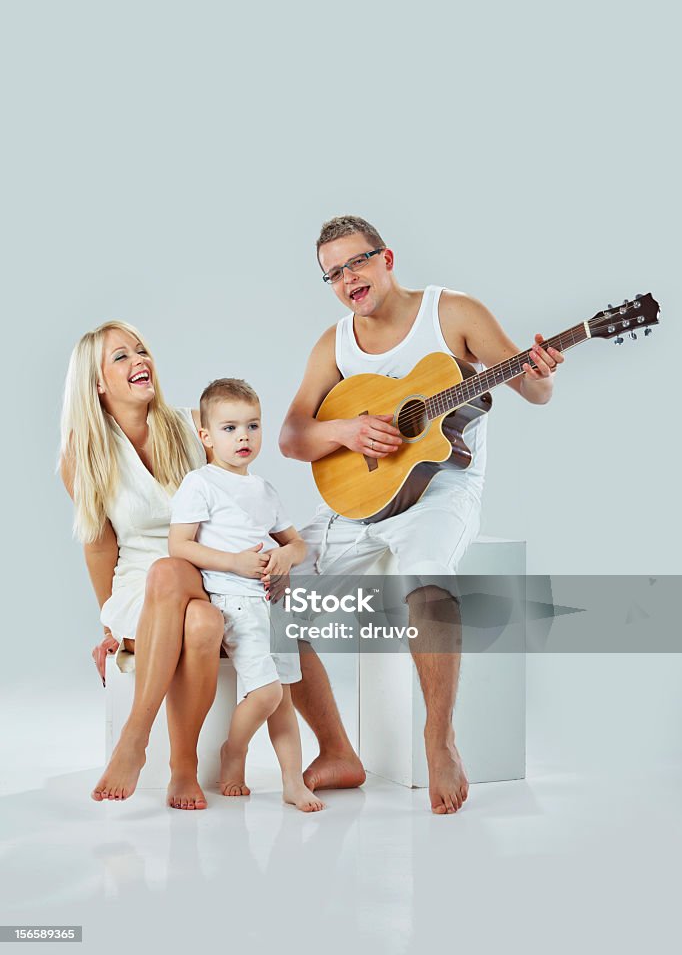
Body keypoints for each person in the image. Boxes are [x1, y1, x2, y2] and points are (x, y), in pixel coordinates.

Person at [279, 215, 564, 815]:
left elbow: (533, 392)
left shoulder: (452, 313)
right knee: (266, 592)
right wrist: (348, 429)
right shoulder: (335, 344)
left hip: (441, 489)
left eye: (356, 262)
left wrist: (539, 375)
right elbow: (292, 436)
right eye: (332, 273)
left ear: (387, 257)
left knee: (428, 574)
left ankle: (438, 737)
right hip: (360, 501)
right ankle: (337, 750)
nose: (347, 279)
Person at [60, 320, 225, 809]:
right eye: (121, 357)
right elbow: (97, 544)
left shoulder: (193, 425)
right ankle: (183, 768)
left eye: (141, 350)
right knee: (201, 624)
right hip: (141, 586)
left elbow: (233, 504)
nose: (139, 361)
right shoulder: (83, 454)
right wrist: (109, 619)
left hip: (207, 568)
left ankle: (137, 736)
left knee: (179, 578)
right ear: (96, 383)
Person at [168, 378, 324, 812]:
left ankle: (292, 781)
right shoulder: (200, 484)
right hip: (234, 601)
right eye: (230, 428)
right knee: (267, 692)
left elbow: (297, 544)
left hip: (273, 601)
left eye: (253, 426)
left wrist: (284, 558)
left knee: (284, 697)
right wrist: (234, 562)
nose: (243, 437)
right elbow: (179, 546)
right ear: (206, 436)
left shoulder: (264, 490)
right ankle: (232, 752)